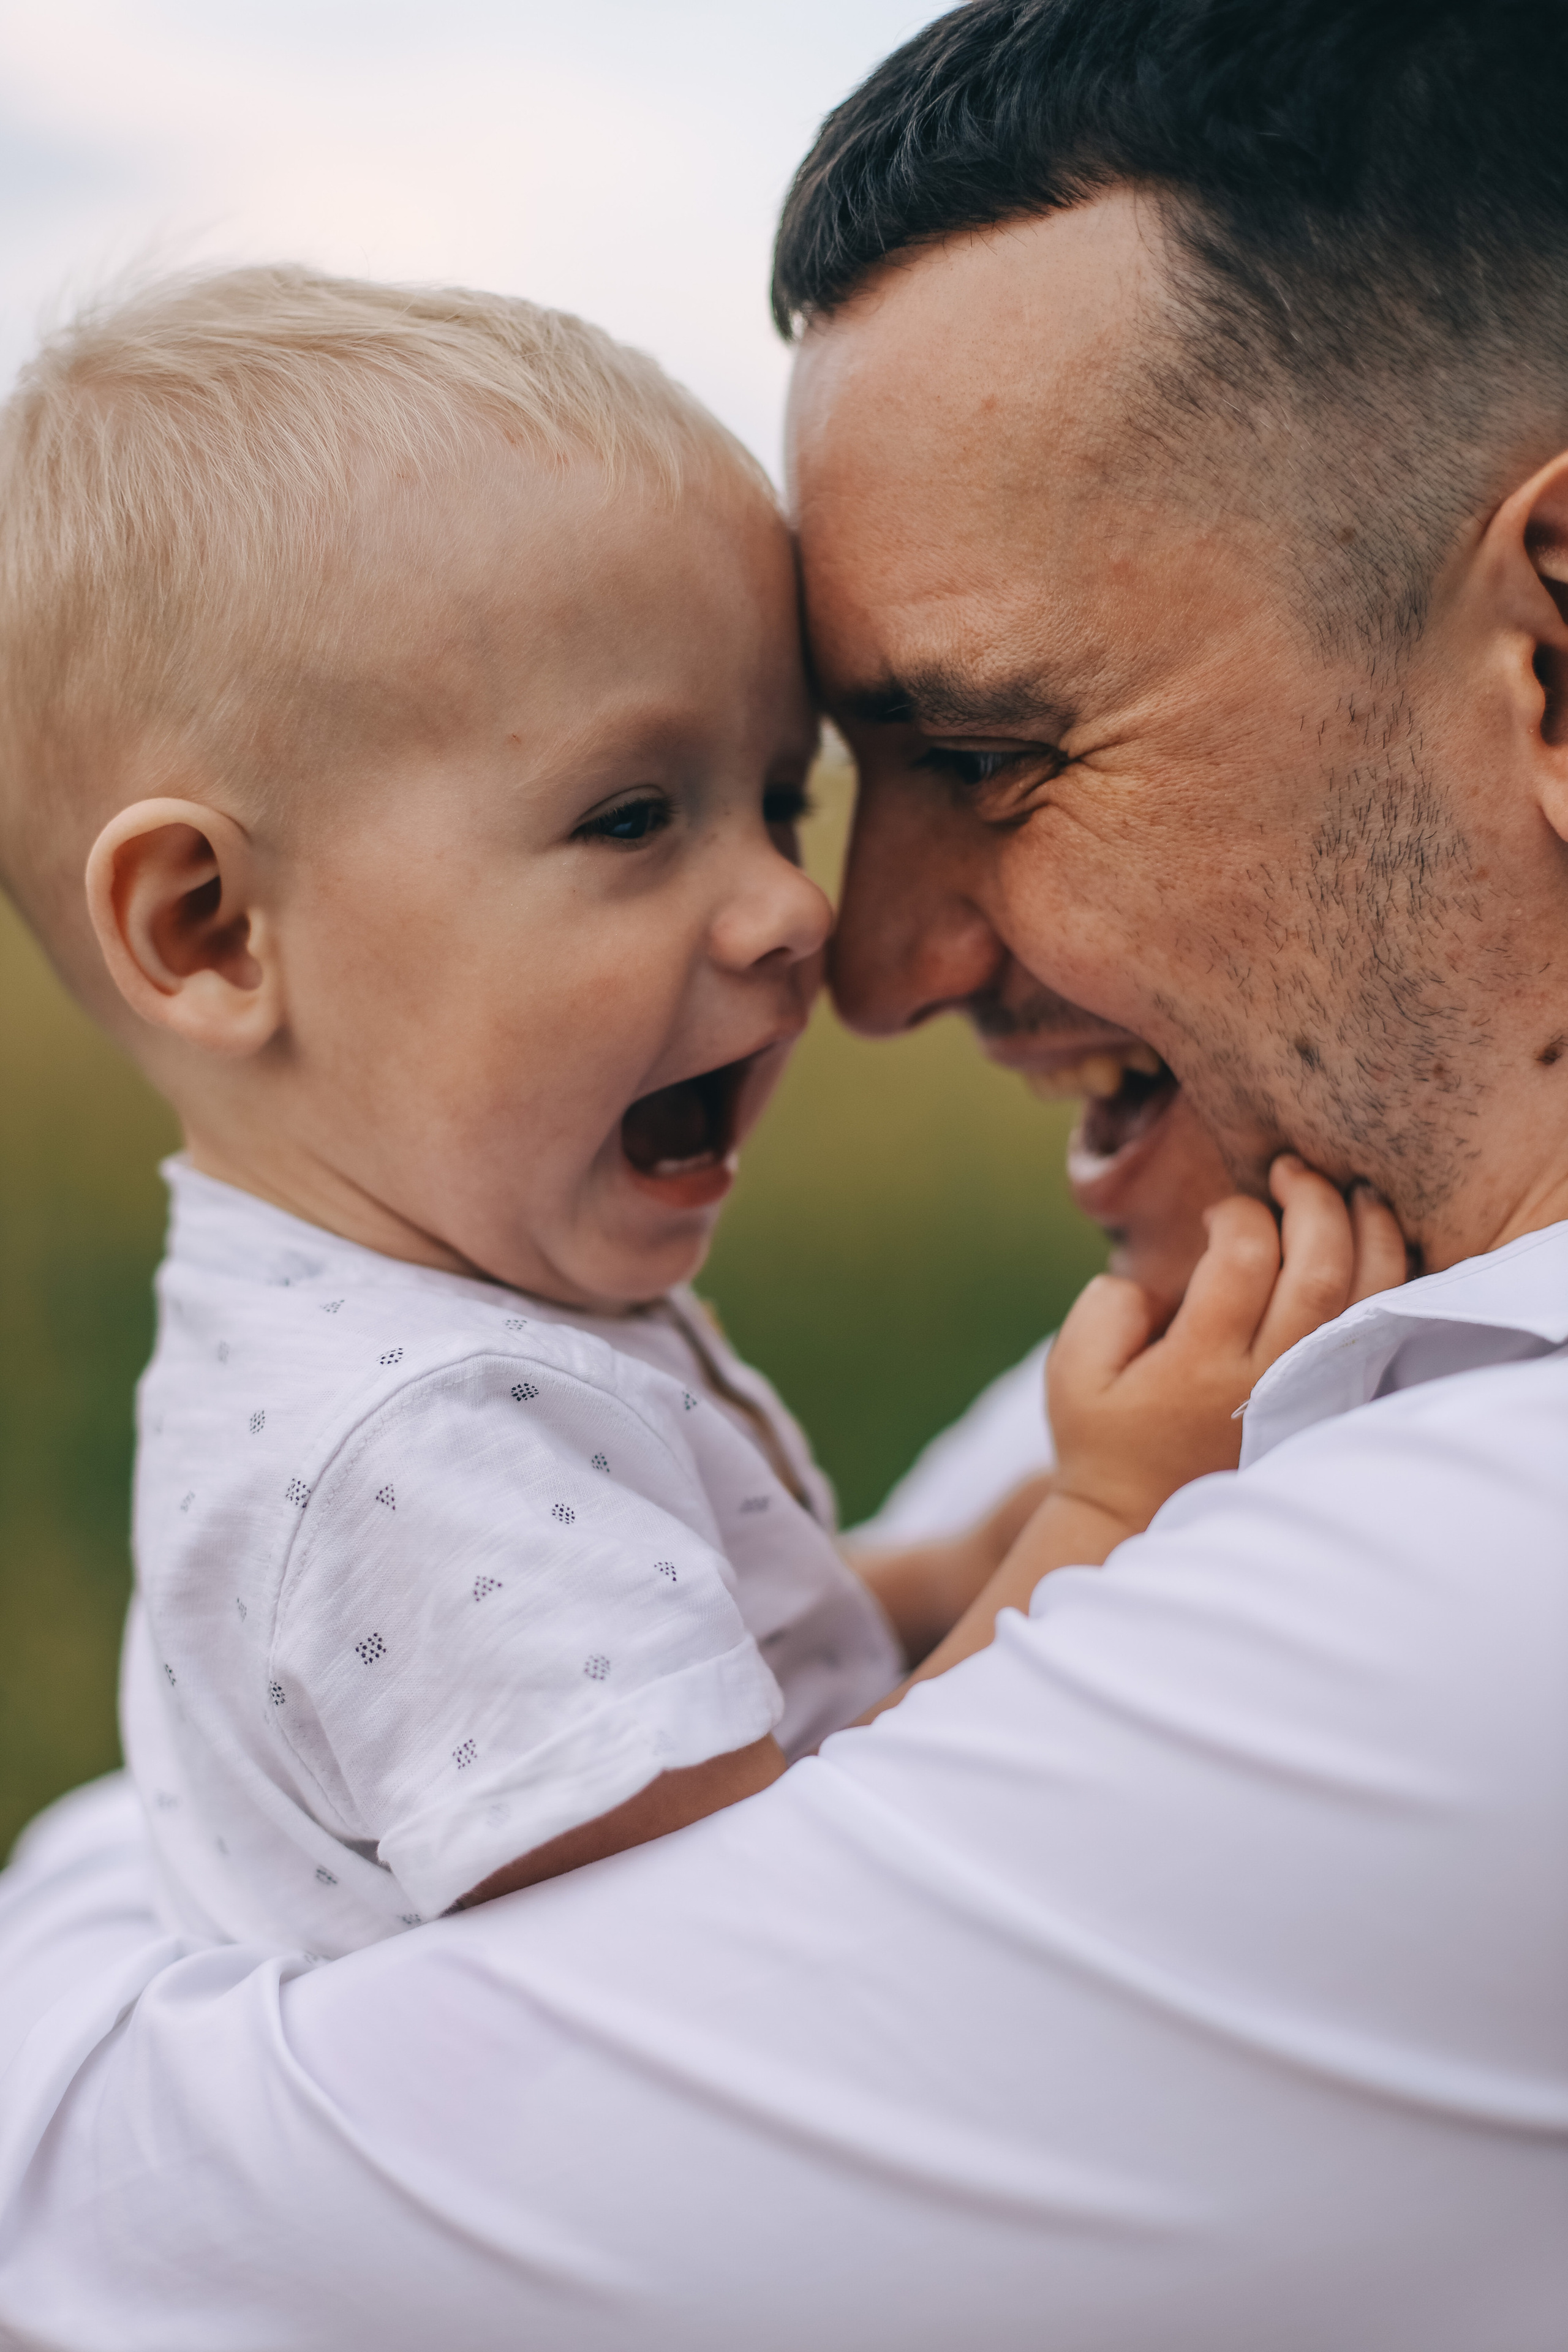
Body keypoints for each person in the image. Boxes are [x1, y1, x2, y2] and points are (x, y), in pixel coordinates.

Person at [4, 5, 1568, 2346]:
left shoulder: (1473, 1617)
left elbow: (138, 2217)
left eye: (984, 750)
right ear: (209, 930)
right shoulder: (1289, 1297)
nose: (855, 957)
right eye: (652, 814)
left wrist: (127, 1895)